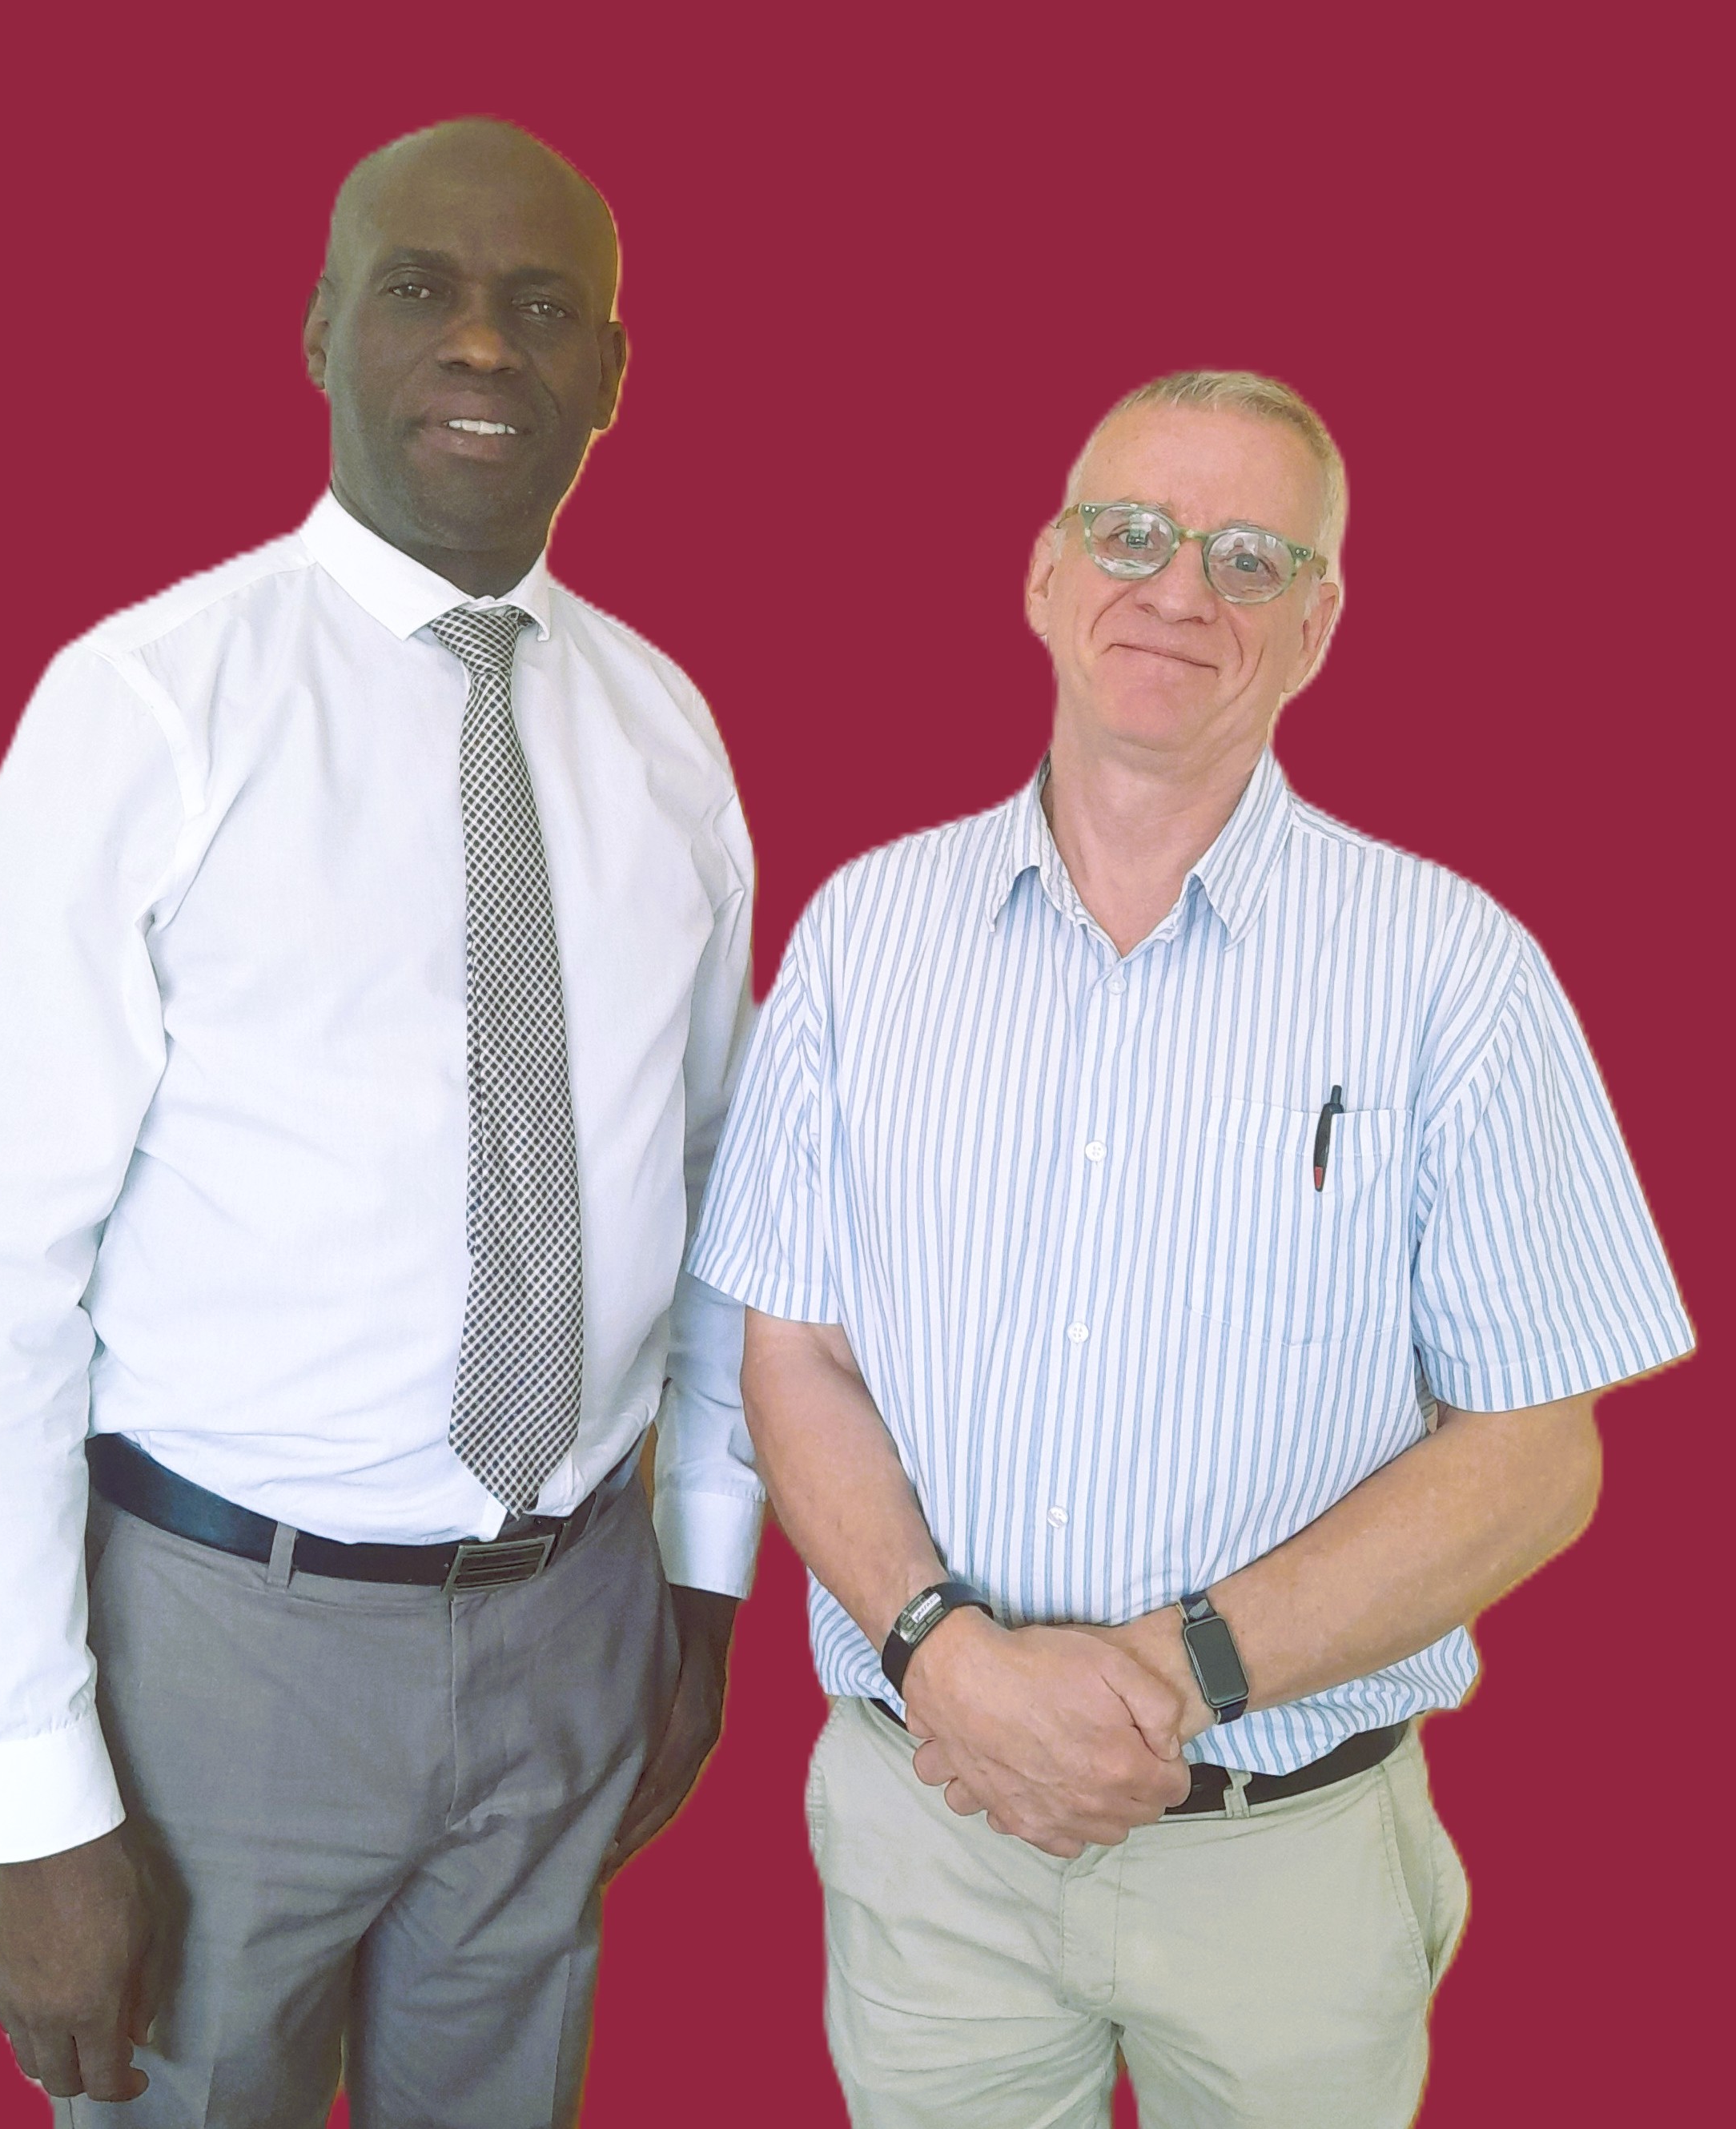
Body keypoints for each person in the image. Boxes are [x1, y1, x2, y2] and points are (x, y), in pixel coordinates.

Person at [689, 369, 1692, 2129]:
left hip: (1284, 1868)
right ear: (1044, 572)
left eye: (1247, 557)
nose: (1178, 590)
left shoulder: (1451, 968)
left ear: (1318, 623)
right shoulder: (862, 937)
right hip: (934, 1841)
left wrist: (1165, 1681)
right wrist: (947, 1654)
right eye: (1132, 533)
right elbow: (797, 1351)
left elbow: (1538, 1451)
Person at [0, 117, 766, 2128]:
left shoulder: (668, 734)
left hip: (574, 1622)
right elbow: (2, 1276)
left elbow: (721, 1190)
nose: (482, 344)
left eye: (542, 307)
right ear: (318, 335)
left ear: (611, 374)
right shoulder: (148, 709)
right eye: (421, 291)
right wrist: (32, 1796)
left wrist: (703, 1584)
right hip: (222, 1652)